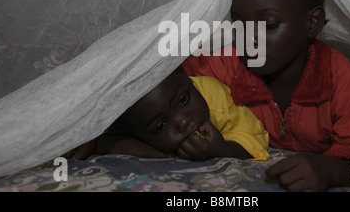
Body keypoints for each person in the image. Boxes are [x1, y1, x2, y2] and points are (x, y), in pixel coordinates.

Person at [182, 0, 350, 191]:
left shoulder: (345, 82)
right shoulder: (226, 65)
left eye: (270, 25)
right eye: (238, 25)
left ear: (312, 22)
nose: (249, 39)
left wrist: (330, 170)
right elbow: (166, 84)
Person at [64, 67, 269, 162]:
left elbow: (257, 138)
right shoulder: (124, 115)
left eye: (183, 100)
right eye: (160, 127)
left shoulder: (216, 96)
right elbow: (95, 133)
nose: (183, 121)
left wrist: (223, 149)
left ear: (187, 79)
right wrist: (106, 144)